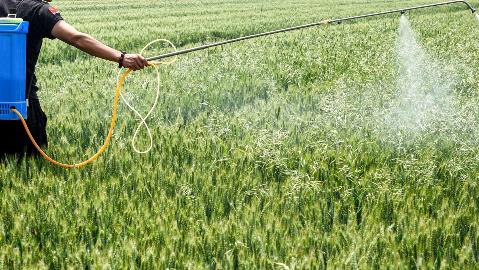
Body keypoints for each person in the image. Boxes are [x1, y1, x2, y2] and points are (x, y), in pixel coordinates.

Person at [0, 0, 148, 159]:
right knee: (26, 167)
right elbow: (76, 38)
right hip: (20, 110)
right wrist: (122, 57)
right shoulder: (38, 10)